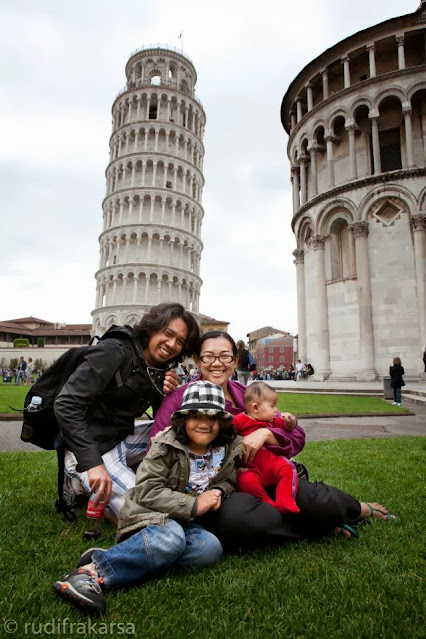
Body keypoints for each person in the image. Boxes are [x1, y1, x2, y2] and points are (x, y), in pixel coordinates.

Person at [150, 330, 397, 550]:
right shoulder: (180, 398)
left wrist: (267, 434)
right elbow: (158, 446)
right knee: (243, 521)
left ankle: (357, 509)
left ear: (235, 360)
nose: (217, 363)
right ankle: (316, 527)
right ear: (197, 360)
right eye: (208, 357)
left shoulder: (247, 394)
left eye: (225, 356)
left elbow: (296, 435)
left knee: (319, 503)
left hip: (268, 475)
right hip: (222, 490)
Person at [54, 381, 244, 614]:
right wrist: (194, 504)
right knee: (172, 538)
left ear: (222, 422)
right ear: (184, 420)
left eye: (213, 417)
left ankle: (132, 557)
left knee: (210, 549)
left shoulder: (224, 450)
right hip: (149, 517)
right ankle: (91, 572)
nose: (205, 424)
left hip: (183, 524)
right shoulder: (165, 446)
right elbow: (146, 491)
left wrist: (220, 492)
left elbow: (229, 479)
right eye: (196, 416)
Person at [54, 303, 200, 520]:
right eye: (168, 334)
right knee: (152, 516)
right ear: (152, 327)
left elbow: (162, 423)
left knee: (185, 430)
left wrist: (166, 394)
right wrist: (93, 464)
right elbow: (66, 404)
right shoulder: (114, 350)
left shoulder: (157, 366)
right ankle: (79, 475)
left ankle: (194, 480)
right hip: (90, 449)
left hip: (122, 439)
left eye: (180, 341)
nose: (171, 344)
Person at [233, 382, 299, 513]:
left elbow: (289, 429)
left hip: (272, 463)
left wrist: (291, 421)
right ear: (255, 408)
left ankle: (285, 500)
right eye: (272, 406)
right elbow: (228, 430)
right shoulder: (240, 420)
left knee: (288, 468)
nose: (276, 410)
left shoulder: (273, 421)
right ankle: (267, 503)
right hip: (251, 467)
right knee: (245, 480)